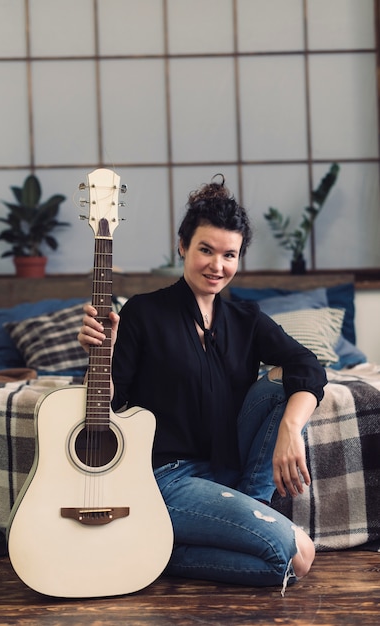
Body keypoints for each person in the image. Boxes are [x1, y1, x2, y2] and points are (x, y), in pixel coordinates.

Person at [77, 175, 327, 593]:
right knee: (295, 554)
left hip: (228, 470)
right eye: (205, 250)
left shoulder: (247, 319)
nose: (217, 266)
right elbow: (107, 408)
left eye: (229, 255)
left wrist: (291, 429)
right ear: (182, 246)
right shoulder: (143, 312)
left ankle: (245, 506)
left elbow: (308, 364)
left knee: (284, 379)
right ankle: (156, 547)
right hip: (164, 478)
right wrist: (100, 353)